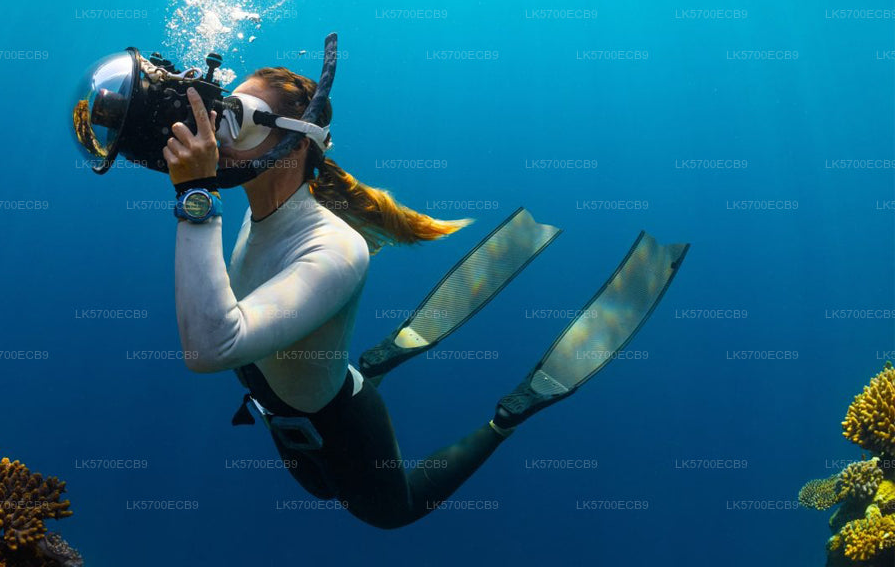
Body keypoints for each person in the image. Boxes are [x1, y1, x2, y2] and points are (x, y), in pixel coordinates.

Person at [165, 67, 686, 529]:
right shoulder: (261, 216)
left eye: (238, 116)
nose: (216, 131)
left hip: (341, 424)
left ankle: (507, 417)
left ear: (296, 142)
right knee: (320, 489)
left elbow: (212, 346)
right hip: (278, 405)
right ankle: (374, 362)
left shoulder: (336, 250)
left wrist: (196, 198)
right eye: (220, 110)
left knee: (393, 513)